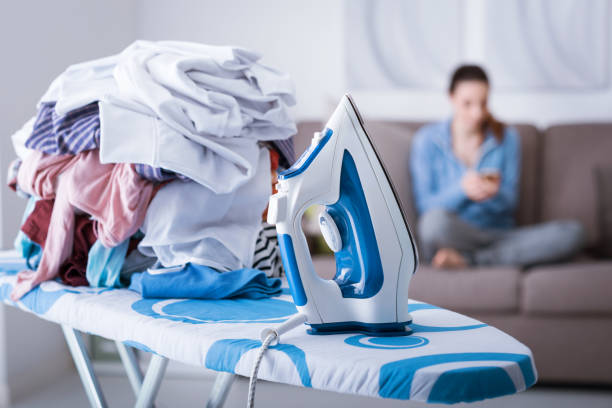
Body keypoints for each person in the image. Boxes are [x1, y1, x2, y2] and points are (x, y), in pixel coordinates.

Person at [410, 64, 585, 268]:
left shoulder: (507, 138)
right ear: (451, 97)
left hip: (499, 235)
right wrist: (463, 190)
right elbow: (425, 207)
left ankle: (470, 259)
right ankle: (497, 257)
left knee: (573, 233)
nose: (477, 113)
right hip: (455, 232)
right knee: (432, 224)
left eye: (483, 103)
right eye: (468, 104)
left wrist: (495, 193)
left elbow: (510, 202)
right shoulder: (427, 140)